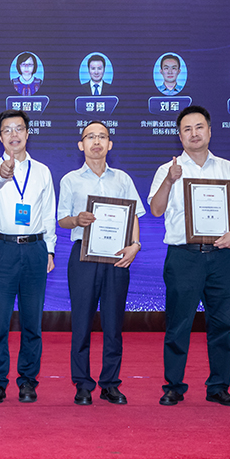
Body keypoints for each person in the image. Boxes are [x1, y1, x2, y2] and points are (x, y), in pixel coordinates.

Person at [149, 106, 230, 408]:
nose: (194, 134)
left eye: (199, 127)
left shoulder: (227, 168)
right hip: (184, 257)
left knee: (222, 324)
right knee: (178, 324)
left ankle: (218, 386)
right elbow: (156, 210)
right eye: (187, 129)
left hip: (221, 255)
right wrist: (170, 181)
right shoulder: (168, 170)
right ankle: (174, 386)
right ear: (179, 136)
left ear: (209, 130)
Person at [58, 120, 143, 406]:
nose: (96, 142)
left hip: (117, 257)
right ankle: (83, 384)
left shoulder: (123, 179)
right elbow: (62, 219)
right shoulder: (70, 180)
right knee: (81, 322)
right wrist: (77, 220)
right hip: (83, 256)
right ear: (81, 144)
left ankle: (110, 384)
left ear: (110, 144)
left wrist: (135, 246)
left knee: (113, 323)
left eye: (102, 137)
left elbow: (134, 216)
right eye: (90, 137)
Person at [0, 109, 56, 404]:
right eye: (7, 130)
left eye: (19, 128)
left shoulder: (43, 171)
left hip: (35, 249)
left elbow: (48, 215)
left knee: (32, 321)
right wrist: (3, 174)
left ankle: (28, 381)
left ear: (28, 133)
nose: (14, 134)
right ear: (0, 137)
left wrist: (50, 249)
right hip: (3, 249)